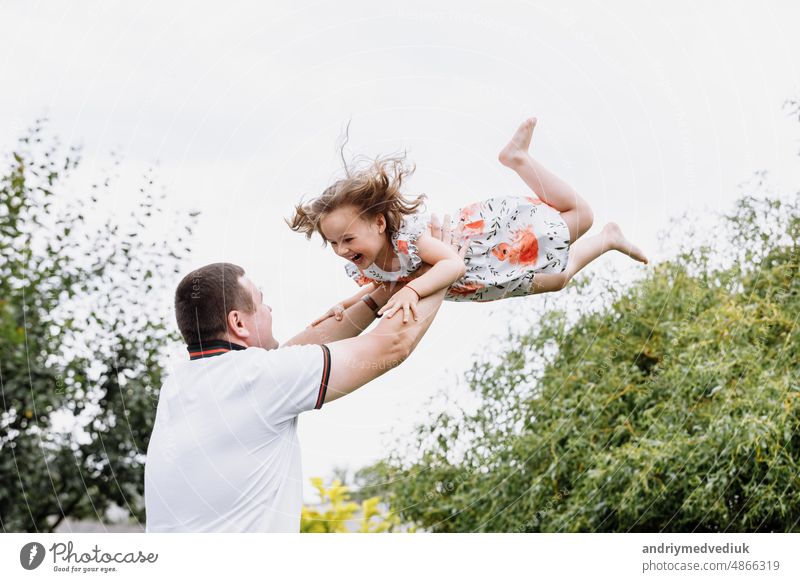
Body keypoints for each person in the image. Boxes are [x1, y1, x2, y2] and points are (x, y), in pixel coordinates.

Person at [144, 220, 465, 532]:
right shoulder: (257, 379)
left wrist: (384, 292)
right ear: (238, 324)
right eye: (261, 303)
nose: (271, 311)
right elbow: (391, 345)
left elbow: (291, 354)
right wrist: (438, 270)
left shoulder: (181, 385)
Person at [288, 117, 649, 323]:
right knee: (558, 280)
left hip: (493, 246)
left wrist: (413, 290)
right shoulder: (365, 266)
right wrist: (341, 307)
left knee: (580, 216)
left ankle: (517, 158)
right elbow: (381, 288)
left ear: (380, 223)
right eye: (333, 242)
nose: (340, 250)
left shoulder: (409, 240)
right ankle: (608, 239)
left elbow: (452, 263)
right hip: (484, 280)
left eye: (347, 239)